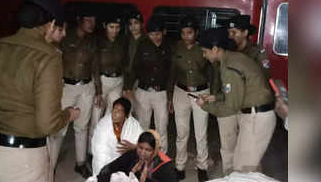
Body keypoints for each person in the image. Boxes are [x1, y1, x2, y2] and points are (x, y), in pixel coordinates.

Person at [0, 0, 80, 182]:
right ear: (51, 23)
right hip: (23, 158)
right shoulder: (48, 56)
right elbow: (48, 123)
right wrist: (69, 115)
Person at [196, 27, 276, 174]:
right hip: (254, 115)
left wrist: (205, 106)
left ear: (214, 49)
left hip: (256, 118)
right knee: (245, 164)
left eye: (205, 51)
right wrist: (215, 97)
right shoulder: (232, 58)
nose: (204, 55)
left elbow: (230, 107)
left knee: (243, 168)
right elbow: (238, 90)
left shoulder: (230, 66)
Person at [48, 7, 99, 179]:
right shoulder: (65, 37)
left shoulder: (92, 41)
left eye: (94, 20)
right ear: (79, 20)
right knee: (59, 128)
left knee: (82, 127)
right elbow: (52, 57)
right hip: (66, 87)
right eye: (88, 20)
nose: (92, 24)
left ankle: (80, 163)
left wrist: (98, 91)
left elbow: (95, 67)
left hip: (86, 86)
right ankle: (50, 166)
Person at [167, 15, 212, 181]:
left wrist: (211, 95)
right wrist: (170, 97)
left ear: (196, 33)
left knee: (201, 133)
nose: (186, 36)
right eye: (183, 33)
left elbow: (212, 72)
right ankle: (180, 165)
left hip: (201, 93)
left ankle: (202, 166)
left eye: (190, 33)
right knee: (181, 132)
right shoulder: (176, 48)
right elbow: (172, 73)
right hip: (181, 92)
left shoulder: (204, 48)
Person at [123, 16, 173, 154]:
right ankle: (142, 157)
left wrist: (169, 97)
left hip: (161, 94)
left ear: (164, 32)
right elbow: (134, 68)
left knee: (162, 128)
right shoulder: (143, 45)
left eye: (157, 34)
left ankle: (161, 158)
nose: (154, 37)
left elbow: (171, 75)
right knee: (142, 127)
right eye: (151, 34)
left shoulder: (169, 47)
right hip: (143, 92)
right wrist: (128, 87)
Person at [90, 13, 128, 156]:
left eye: (117, 27)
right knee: (96, 117)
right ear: (105, 26)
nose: (115, 30)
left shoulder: (122, 41)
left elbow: (125, 64)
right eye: (111, 27)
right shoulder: (98, 41)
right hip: (102, 80)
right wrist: (98, 90)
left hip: (117, 81)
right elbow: (94, 65)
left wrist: (124, 85)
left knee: (113, 118)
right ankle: (91, 152)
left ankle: (107, 149)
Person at [90, 130, 178, 182]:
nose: (142, 153)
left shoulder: (165, 167)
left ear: (155, 150)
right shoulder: (133, 154)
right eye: (140, 147)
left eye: (148, 150)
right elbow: (111, 167)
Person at [91, 97, 143, 175]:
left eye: (119, 111)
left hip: (126, 161)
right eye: (114, 109)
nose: (115, 113)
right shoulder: (103, 126)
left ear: (127, 115)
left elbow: (145, 144)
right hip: (107, 161)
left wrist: (135, 147)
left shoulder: (134, 125)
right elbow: (99, 154)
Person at [122, 10, 146, 115]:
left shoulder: (148, 40)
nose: (133, 26)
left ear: (141, 24)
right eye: (130, 24)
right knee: (127, 112)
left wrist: (137, 82)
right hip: (126, 80)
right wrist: (126, 85)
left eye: (136, 23)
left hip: (142, 82)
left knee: (141, 114)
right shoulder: (125, 39)